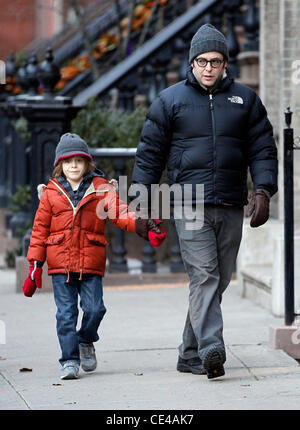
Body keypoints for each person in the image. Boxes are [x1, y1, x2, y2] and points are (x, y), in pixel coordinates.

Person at [131, 23, 278, 379]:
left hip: (230, 202)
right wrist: (140, 203)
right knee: (205, 274)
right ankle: (213, 346)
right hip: (188, 202)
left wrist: (262, 189)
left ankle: (190, 352)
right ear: (191, 63)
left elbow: (262, 149)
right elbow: (149, 155)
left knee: (217, 279)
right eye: (201, 61)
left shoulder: (245, 100)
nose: (208, 68)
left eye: (215, 61)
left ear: (225, 63)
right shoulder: (169, 101)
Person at [22, 132, 166, 380]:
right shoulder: (50, 193)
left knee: (95, 309)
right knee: (65, 315)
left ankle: (85, 340)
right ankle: (69, 360)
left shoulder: (102, 188)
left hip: (90, 261)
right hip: (60, 265)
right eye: (68, 162)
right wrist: (35, 266)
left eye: (78, 160)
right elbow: (39, 231)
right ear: (60, 165)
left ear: (87, 162)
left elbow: (119, 212)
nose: (73, 166)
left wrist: (142, 224)